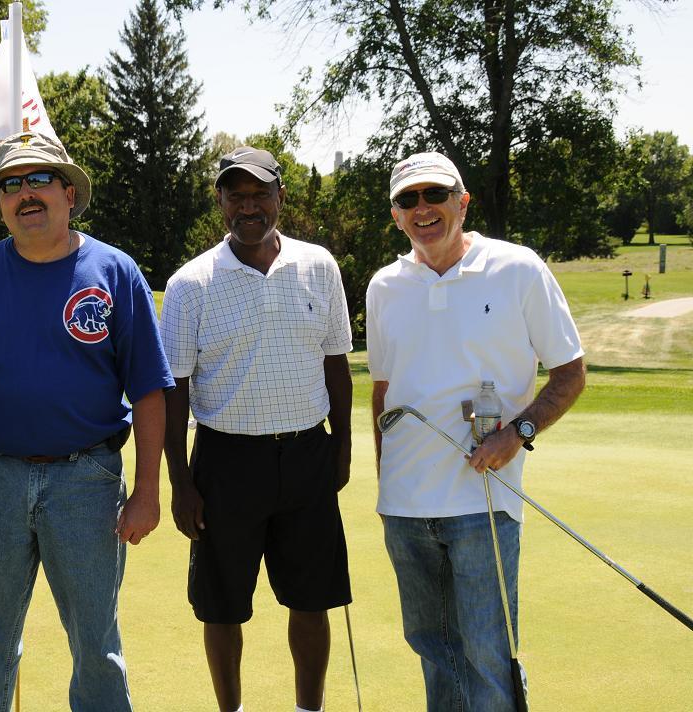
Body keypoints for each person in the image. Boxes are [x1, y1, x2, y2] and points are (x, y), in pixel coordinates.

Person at [0, 131, 174, 712]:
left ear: (69, 194)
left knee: (96, 647)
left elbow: (148, 390)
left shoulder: (115, 272)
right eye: (11, 185)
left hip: (87, 481)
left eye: (39, 179)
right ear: (1, 205)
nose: (25, 194)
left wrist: (146, 491)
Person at [367, 151, 586, 710]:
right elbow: (383, 392)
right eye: (407, 200)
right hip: (407, 506)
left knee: (486, 655)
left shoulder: (518, 269)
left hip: (484, 500)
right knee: (434, 653)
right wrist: (386, 483)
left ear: (462, 202)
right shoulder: (385, 286)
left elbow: (570, 372)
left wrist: (517, 433)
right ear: (396, 215)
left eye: (434, 195)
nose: (422, 208)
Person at [160, 146, 354, 712]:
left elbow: (336, 366)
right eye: (236, 195)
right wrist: (181, 482)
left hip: (305, 454)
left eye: (260, 193)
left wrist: (340, 449)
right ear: (220, 201)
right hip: (224, 463)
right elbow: (175, 391)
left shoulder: (319, 266)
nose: (249, 206)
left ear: (280, 198)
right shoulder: (191, 283)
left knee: (311, 599)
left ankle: (307, 709)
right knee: (222, 606)